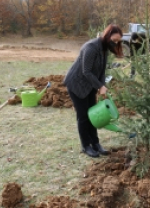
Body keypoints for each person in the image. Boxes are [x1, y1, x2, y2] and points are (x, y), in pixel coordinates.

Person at [64, 24, 123, 158]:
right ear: (107, 36)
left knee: (93, 114)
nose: (115, 44)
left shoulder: (104, 49)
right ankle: (86, 146)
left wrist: (101, 85)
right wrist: (99, 86)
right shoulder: (91, 47)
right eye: (114, 40)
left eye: (118, 41)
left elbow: (102, 70)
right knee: (83, 116)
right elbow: (86, 71)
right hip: (76, 84)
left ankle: (96, 143)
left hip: (90, 85)